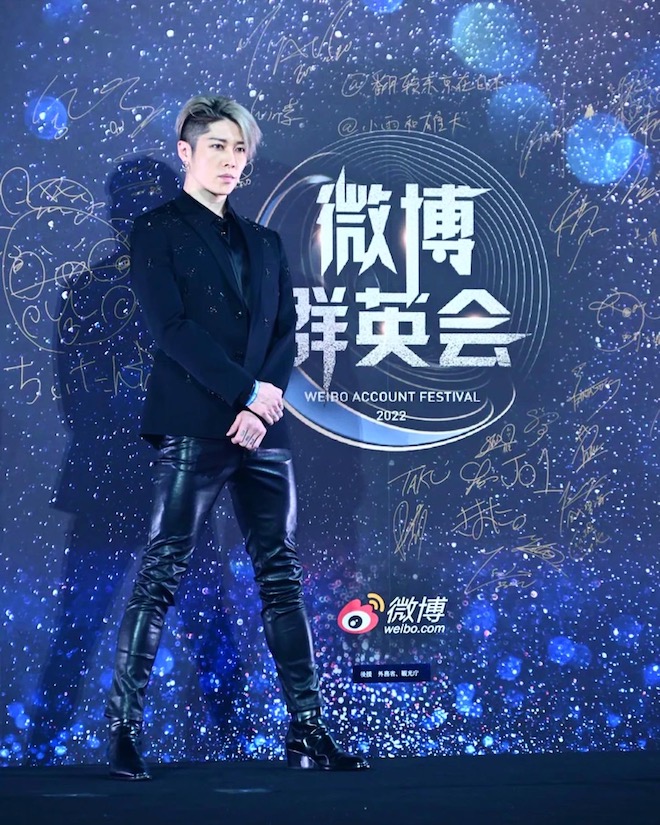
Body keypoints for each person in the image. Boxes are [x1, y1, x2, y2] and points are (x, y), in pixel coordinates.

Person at [104, 95, 368, 779]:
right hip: (196, 422)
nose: (230, 159)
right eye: (217, 146)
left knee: (280, 574)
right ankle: (124, 729)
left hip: (263, 431)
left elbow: (285, 332)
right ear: (185, 152)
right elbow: (171, 329)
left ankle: (307, 730)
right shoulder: (156, 230)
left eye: (240, 148)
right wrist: (245, 393)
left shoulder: (264, 241)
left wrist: (262, 403)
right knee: (163, 571)